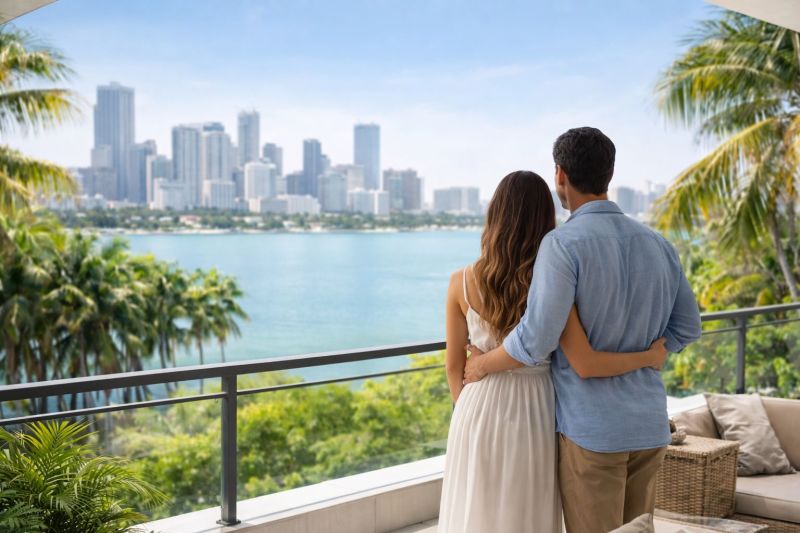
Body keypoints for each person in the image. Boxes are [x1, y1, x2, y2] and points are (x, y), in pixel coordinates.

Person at [463, 129, 702, 533]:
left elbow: (535, 340)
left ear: (560, 175)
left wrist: (482, 364)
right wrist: (650, 355)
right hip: (648, 425)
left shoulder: (562, 245)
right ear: (608, 174)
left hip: (593, 433)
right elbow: (688, 327)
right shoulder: (659, 244)